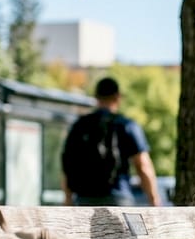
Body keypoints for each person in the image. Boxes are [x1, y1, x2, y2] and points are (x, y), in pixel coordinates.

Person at [61, 77, 163, 206]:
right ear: (118, 97)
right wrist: (154, 199)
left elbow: (68, 164)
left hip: (84, 198)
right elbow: (143, 165)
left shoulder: (79, 126)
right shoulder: (127, 125)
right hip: (118, 197)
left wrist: (68, 198)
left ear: (96, 97)